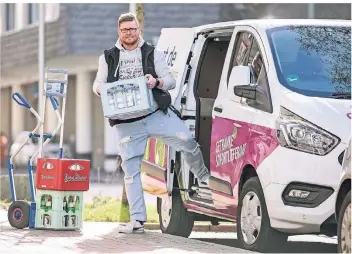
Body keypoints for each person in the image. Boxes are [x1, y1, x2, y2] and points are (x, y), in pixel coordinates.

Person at [92, 12, 210, 234]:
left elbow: (171, 81)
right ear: (119, 32)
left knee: (187, 140)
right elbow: (97, 83)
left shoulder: (153, 53)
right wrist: (100, 90)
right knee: (131, 170)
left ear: (139, 30)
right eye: (126, 30)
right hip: (126, 123)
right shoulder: (107, 57)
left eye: (133, 29)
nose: (130, 33)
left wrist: (156, 81)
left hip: (156, 114)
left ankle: (203, 177)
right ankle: (137, 221)